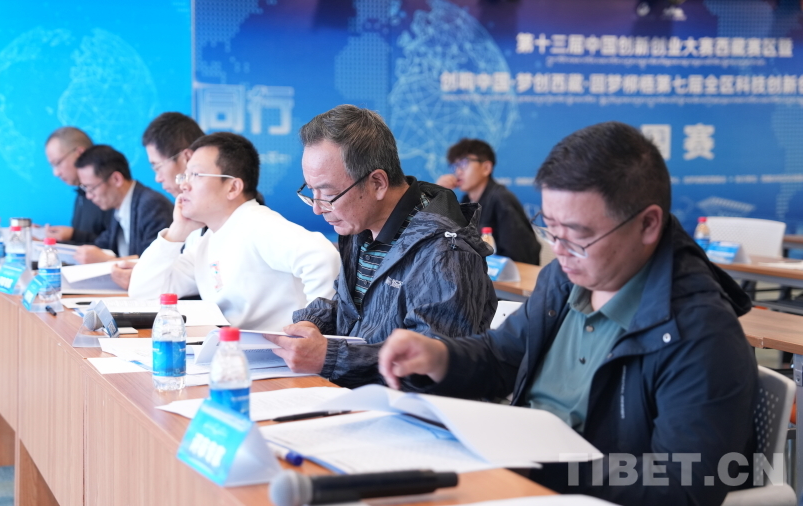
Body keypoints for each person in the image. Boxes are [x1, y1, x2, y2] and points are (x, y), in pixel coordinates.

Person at [378, 122, 757, 505]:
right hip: (516, 474)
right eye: (551, 228)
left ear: (647, 224)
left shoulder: (699, 332)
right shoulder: (565, 278)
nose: (559, 249)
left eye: (577, 234)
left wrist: (539, 469)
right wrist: (441, 357)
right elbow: (503, 356)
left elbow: (682, 486)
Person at [263, 104, 498, 388]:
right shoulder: (360, 226)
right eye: (311, 191)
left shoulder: (446, 252)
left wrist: (330, 357)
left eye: (328, 194)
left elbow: (429, 368)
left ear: (377, 183)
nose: (317, 208)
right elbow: (350, 308)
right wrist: (312, 323)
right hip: (350, 394)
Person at [129, 132, 340, 329]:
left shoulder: (258, 223)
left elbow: (323, 257)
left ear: (232, 187)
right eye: (185, 176)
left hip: (276, 353)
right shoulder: (209, 239)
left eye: (195, 175)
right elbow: (144, 293)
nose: (184, 185)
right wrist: (177, 231)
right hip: (235, 348)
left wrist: (311, 328)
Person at [111, 112, 205, 288]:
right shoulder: (191, 213)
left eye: (157, 167)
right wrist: (146, 272)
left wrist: (146, 278)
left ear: (186, 158)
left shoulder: (223, 217)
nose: (158, 178)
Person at [437, 138, 540, 264]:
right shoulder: (466, 200)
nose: (458, 171)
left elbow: (521, 256)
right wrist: (438, 196)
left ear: (486, 168)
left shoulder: (501, 199)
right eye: (455, 166)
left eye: (464, 163)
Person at [72, 145, 174, 264]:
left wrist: (109, 260)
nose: (89, 196)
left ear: (116, 179)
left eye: (91, 188)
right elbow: (101, 245)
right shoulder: (119, 207)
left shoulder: (152, 205)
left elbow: (155, 263)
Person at [43, 127, 112, 244]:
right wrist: (45, 241)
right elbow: (82, 249)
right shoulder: (81, 193)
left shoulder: (108, 192)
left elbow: (115, 246)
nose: (56, 173)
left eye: (57, 163)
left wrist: (74, 235)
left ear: (80, 153)